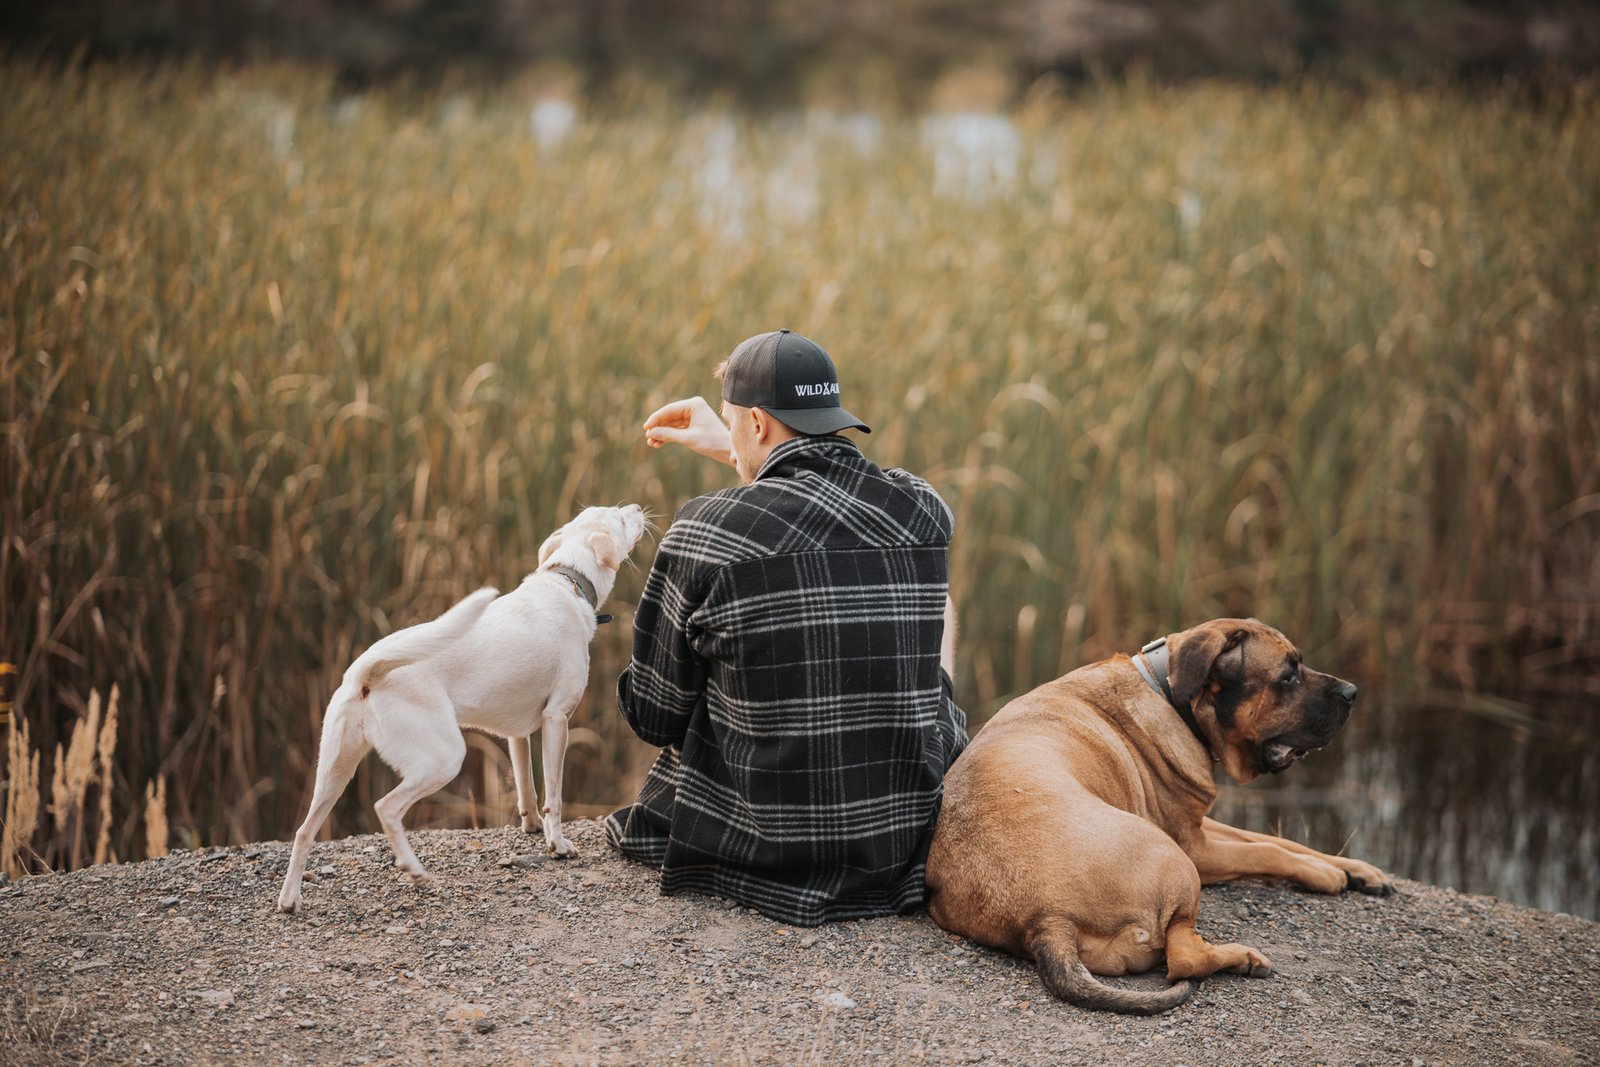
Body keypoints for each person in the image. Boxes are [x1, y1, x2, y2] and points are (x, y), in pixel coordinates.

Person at [604, 328, 969, 927]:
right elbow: (830, 497)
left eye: (733, 422)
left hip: (763, 848)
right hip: (895, 844)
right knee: (937, 599)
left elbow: (653, 716)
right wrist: (739, 449)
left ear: (756, 423)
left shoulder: (705, 530)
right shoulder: (922, 509)